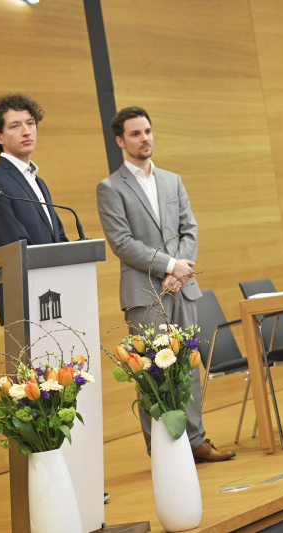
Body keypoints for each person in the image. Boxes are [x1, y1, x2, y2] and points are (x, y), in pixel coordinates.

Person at [96, 106, 235, 463]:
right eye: (136, 134)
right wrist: (170, 265)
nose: (145, 138)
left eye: (148, 131)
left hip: (183, 287)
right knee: (152, 371)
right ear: (120, 140)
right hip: (144, 292)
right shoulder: (110, 188)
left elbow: (190, 229)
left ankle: (196, 442)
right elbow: (122, 243)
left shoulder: (172, 180)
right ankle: (162, 450)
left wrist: (182, 271)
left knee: (186, 367)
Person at [0, 93, 68, 324]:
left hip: (57, 295)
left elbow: (58, 235)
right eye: (15, 126)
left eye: (30, 123)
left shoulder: (38, 181)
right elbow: (13, 244)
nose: (27, 131)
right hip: (27, 299)